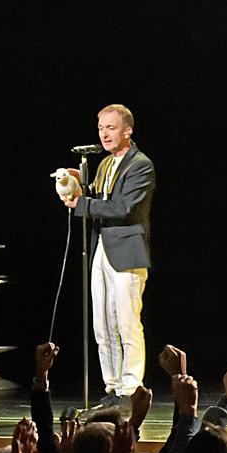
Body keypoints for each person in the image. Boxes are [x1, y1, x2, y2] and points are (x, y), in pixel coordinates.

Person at [61, 104, 156, 408]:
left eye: (111, 127)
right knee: (102, 323)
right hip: (101, 246)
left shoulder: (140, 164)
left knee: (127, 321)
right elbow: (96, 195)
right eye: (101, 127)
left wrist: (81, 204)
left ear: (128, 130)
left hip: (127, 249)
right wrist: (76, 184)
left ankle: (131, 387)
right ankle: (112, 386)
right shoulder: (104, 165)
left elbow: (122, 208)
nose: (104, 133)